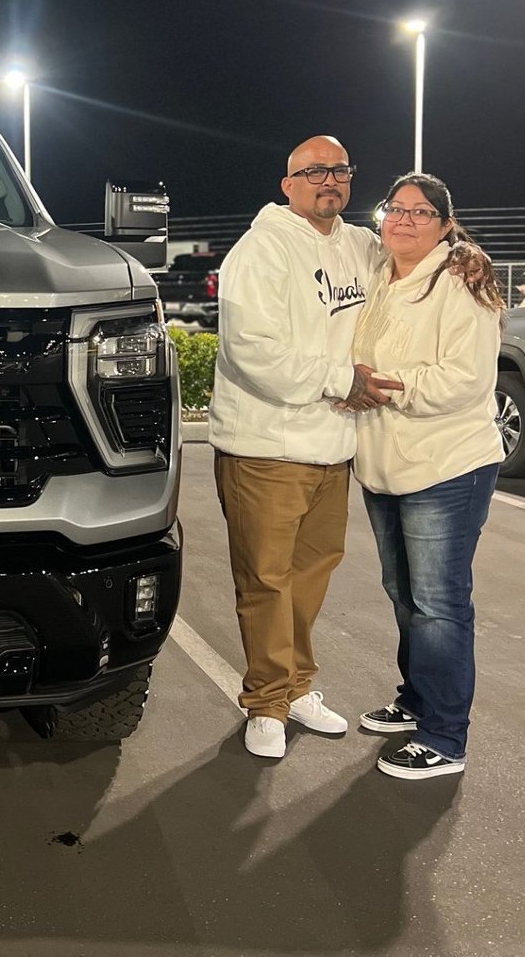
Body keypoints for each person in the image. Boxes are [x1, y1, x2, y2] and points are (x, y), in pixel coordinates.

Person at [209, 135, 397, 759]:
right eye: (315, 171)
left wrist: (463, 257)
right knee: (266, 581)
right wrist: (344, 379)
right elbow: (251, 351)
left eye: (340, 170)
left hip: (331, 448)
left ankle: (295, 687)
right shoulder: (259, 250)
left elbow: (413, 257)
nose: (330, 180)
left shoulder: (360, 245)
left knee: (311, 577)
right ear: (287, 183)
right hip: (265, 445)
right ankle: (265, 701)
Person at [350, 173, 504, 780]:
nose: (405, 220)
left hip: (447, 466)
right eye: (396, 209)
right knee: (404, 593)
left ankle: (444, 737)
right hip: (386, 467)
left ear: (445, 225)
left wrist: (386, 388)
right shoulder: (380, 277)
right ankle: (416, 700)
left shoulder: (461, 282)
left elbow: (466, 379)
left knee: (439, 604)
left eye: (422, 212)